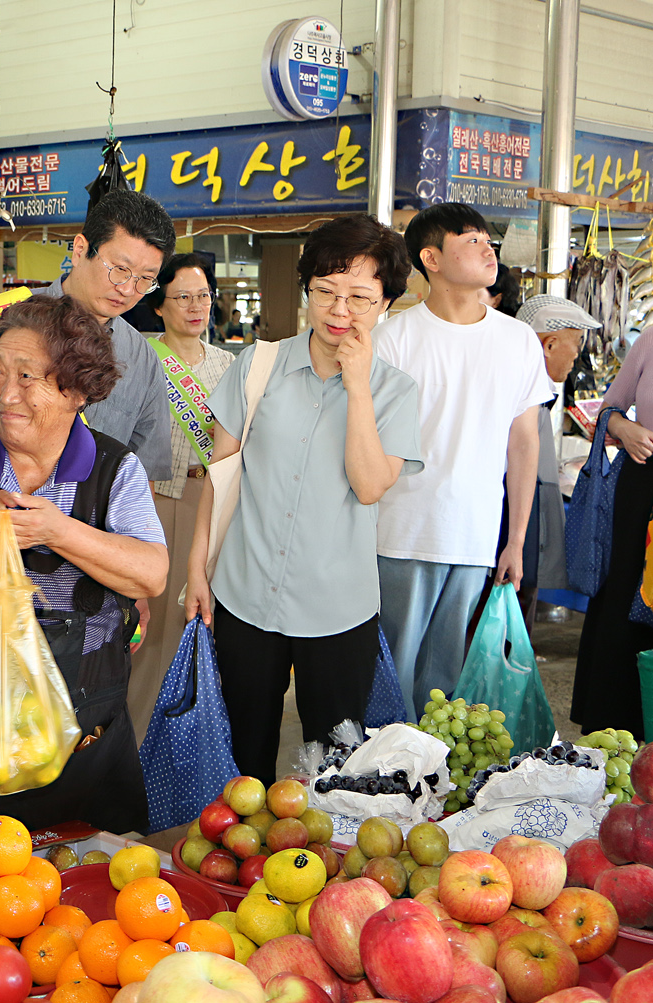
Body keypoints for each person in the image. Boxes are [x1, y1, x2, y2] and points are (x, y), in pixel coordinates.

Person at [0, 296, 168, 845]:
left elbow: (151, 575)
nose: (5, 393)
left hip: (82, 721)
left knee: (86, 880)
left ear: (77, 389)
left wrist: (57, 530)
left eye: (28, 377)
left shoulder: (116, 469)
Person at [185, 214, 423, 785]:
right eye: (326, 292)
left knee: (335, 770)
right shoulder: (257, 366)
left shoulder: (395, 391)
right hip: (244, 592)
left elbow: (369, 485)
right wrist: (197, 571)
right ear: (307, 291)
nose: (340, 311)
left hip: (337, 608)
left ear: (386, 303)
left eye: (360, 298)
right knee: (241, 760)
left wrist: (358, 385)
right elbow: (219, 478)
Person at [374, 203, 554, 717]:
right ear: (430, 257)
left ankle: (432, 789)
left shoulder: (516, 339)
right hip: (401, 534)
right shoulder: (395, 340)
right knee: (392, 675)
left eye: (487, 241)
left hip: (475, 536)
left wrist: (514, 540)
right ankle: (380, 787)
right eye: (471, 240)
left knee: (445, 684)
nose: (488, 249)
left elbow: (524, 444)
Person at [0, 188, 178, 485]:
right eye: (119, 269)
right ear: (79, 250)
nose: (128, 289)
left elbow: (145, 475)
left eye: (145, 279)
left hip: (83, 525)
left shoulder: (142, 358)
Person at [126, 253, 233, 743]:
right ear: (159, 305)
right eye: (183, 297)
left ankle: (189, 741)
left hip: (211, 503)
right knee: (154, 631)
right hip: (156, 501)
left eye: (204, 296)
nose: (196, 307)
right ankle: (137, 746)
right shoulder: (139, 356)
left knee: (201, 627)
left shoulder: (229, 364)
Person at [493, 295, 596, 628]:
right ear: (549, 344)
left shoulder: (538, 393)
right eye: (577, 342)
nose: (578, 353)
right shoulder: (519, 397)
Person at [572, 326, 653, 737]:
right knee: (626, 597)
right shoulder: (651, 338)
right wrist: (626, 430)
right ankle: (616, 728)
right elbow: (608, 412)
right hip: (642, 489)